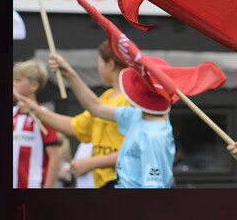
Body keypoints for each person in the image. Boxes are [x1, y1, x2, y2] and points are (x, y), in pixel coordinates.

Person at [25, 52, 176, 188]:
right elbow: (96, 108)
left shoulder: (154, 137)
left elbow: (154, 187)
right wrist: (69, 74)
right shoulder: (135, 116)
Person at [14, 41, 131, 189]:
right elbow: (74, 126)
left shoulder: (132, 100)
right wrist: (35, 110)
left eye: (99, 62)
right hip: (103, 183)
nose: (98, 68)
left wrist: (91, 163)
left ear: (111, 64)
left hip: (124, 181)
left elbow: (134, 149)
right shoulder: (107, 97)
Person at [13, 59, 60, 188]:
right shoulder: (12, 113)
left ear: (34, 86)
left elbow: (54, 156)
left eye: (18, 80)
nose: (13, 84)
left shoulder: (44, 116)